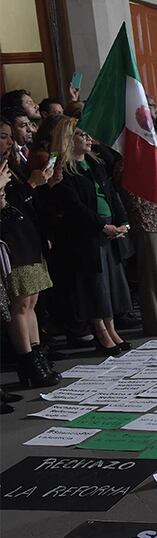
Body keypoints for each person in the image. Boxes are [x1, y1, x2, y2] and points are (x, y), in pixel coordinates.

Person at [48, 118, 133, 356]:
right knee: (95, 286)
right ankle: (101, 333)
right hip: (86, 235)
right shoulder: (63, 170)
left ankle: (112, 329)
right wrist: (102, 227)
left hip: (109, 228)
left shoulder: (94, 164)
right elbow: (74, 206)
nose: (87, 139)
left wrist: (122, 221)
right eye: (81, 135)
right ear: (67, 139)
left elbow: (111, 194)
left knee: (111, 283)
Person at [0, 122, 59, 386]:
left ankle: (37, 354)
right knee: (21, 304)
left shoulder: (12, 165)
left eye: (10, 137)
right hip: (10, 239)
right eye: (2, 137)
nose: (9, 142)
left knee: (32, 302)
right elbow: (7, 206)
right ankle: (28, 362)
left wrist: (44, 184)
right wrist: (30, 186)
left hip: (28, 236)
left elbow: (24, 201)